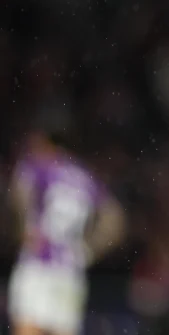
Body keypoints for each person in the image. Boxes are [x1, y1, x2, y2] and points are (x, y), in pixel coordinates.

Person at [7, 131, 126, 335]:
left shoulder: (41, 166)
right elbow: (115, 218)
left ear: (48, 143)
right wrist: (88, 250)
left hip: (38, 263)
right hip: (70, 270)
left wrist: (24, 228)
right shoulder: (85, 177)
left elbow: (20, 191)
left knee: (27, 328)